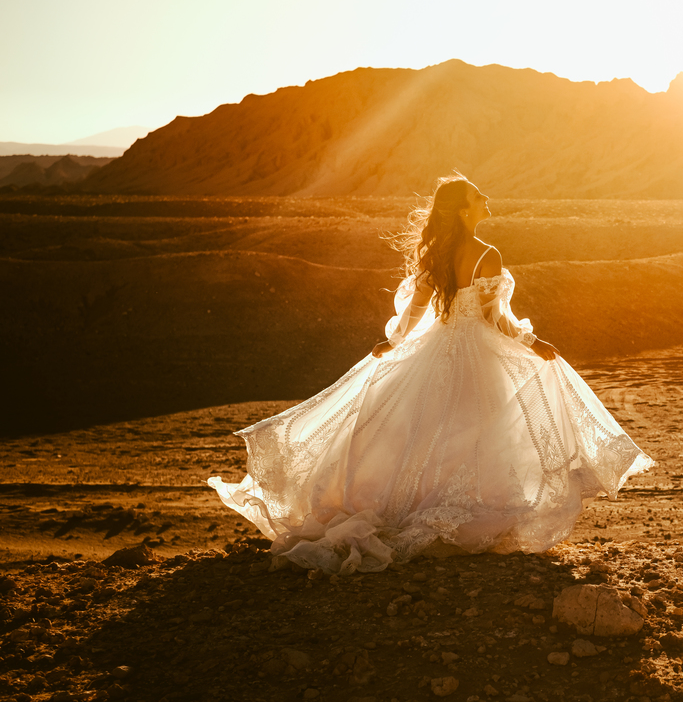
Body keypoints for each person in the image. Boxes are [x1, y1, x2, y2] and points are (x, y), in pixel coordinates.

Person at [208, 174, 653, 574]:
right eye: (478, 196)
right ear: (464, 210)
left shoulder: (436, 253)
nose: (486, 199)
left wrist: (394, 341)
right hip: (477, 352)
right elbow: (495, 318)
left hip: (435, 348)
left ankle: (420, 506)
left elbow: (416, 310)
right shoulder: (488, 255)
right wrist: (532, 342)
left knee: (424, 431)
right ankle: (463, 514)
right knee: (476, 434)